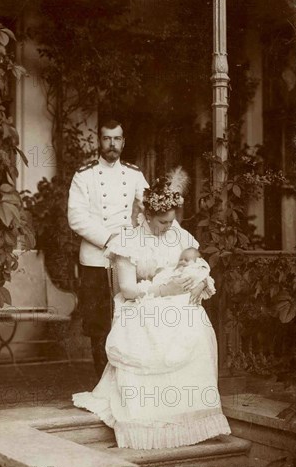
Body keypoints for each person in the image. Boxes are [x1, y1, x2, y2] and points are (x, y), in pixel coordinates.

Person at [73, 169, 231, 450]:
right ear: (146, 216)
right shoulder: (129, 241)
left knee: (194, 319)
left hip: (177, 301)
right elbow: (128, 290)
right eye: (162, 222)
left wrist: (201, 282)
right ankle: (151, 421)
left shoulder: (180, 236)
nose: (169, 226)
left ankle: (188, 415)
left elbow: (198, 265)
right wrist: (161, 291)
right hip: (141, 302)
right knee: (153, 325)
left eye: (172, 220)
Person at [67, 119, 148, 376]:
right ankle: (100, 379)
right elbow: (76, 217)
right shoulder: (84, 175)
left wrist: (136, 235)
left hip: (127, 257)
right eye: (106, 138)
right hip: (95, 257)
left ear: (123, 142)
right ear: (98, 141)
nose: (112, 144)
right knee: (98, 322)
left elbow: (152, 208)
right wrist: (109, 239)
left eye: (116, 139)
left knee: (128, 317)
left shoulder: (134, 174)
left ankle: (126, 378)